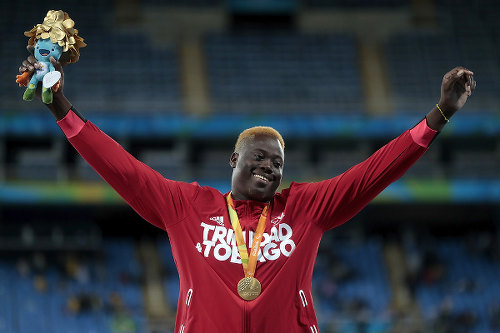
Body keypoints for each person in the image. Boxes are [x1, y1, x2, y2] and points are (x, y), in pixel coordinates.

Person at [19, 51, 475, 332]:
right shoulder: (188, 207)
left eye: (277, 162)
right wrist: (61, 106)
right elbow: (124, 169)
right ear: (233, 161)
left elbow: (373, 171)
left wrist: (439, 114)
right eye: (259, 157)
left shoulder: (306, 208)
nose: (270, 167)